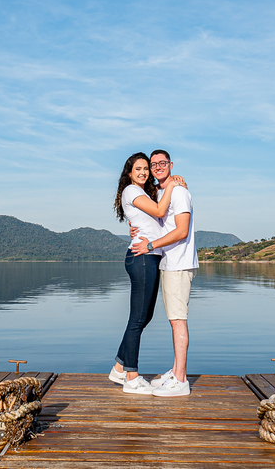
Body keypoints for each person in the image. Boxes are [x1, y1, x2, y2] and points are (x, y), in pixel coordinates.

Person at [108, 152, 186, 395]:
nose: (143, 172)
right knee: (138, 319)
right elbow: (161, 211)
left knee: (144, 316)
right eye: (138, 169)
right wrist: (173, 183)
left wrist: (171, 182)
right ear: (129, 173)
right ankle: (131, 377)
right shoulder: (131, 191)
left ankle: (120, 367)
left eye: (145, 169)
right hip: (142, 258)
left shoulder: (142, 192)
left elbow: (152, 219)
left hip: (149, 258)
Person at [131, 149, 196, 397]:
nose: (157, 167)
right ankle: (175, 371)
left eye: (162, 163)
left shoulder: (179, 192)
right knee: (173, 318)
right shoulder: (160, 192)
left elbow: (181, 231)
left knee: (178, 319)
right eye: (153, 164)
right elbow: (158, 223)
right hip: (167, 263)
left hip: (179, 262)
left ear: (170, 164)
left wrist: (150, 245)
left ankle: (180, 381)